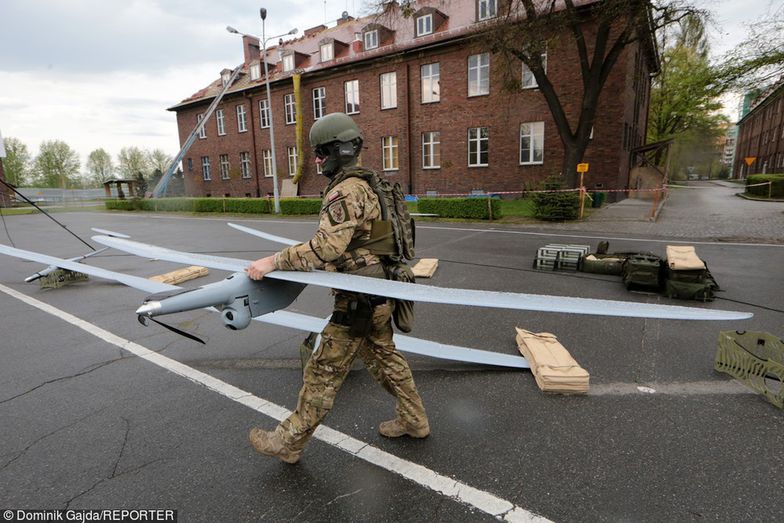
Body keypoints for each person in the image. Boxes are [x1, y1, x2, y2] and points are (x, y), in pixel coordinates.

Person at [245, 112, 429, 464]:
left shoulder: (345, 190)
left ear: (337, 150)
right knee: (386, 360)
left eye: (320, 152)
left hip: (359, 299)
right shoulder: (370, 182)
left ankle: (289, 442)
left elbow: (326, 248)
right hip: (379, 292)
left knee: (322, 371)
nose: (316, 160)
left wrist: (272, 261)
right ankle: (415, 419)